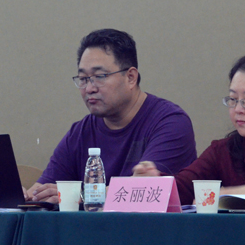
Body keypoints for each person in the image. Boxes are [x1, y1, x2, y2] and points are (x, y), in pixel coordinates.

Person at [27, 29, 197, 203]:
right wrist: (25, 196)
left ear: (131, 77)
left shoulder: (171, 123)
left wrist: (78, 196)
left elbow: (144, 190)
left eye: (100, 76)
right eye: (83, 79)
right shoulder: (80, 132)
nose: (89, 88)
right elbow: (42, 191)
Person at [134, 56, 245, 205]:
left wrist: (226, 194)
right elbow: (183, 188)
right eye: (233, 99)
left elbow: (212, 195)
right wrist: (153, 182)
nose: (238, 109)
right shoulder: (223, 152)